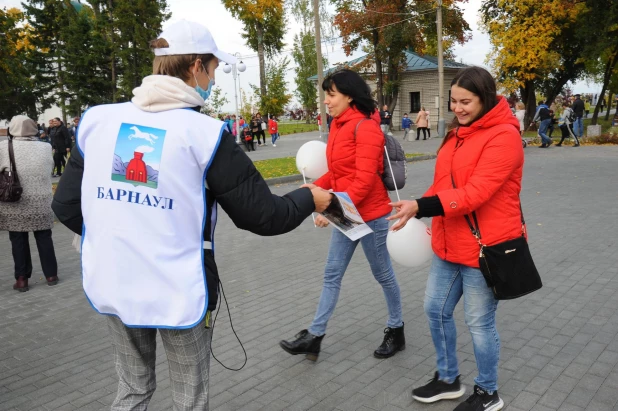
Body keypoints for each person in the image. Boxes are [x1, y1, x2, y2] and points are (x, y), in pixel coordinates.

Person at [51, 20, 332, 410]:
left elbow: (65, 205)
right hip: (177, 288)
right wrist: (309, 197)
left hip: (114, 280)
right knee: (189, 398)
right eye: (214, 70)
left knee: (132, 390)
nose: (213, 79)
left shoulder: (97, 121)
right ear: (197, 66)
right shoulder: (204, 133)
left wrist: (120, 234)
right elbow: (264, 216)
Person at [388, 66, 522, 411]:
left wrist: (424, 205)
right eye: (453, 101)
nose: (458, 108)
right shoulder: (457, 132)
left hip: (484, 248)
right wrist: (415, 207)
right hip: (449, 242)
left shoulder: (503, 136)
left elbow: (475, 193)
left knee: (478, 322)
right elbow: (444, 184)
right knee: (435, 309)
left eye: (466, 102)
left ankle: (488, 392)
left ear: (486, 99)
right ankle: (448, 379)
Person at [279, 69, 405, 362]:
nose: (325, 100)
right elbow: (337, 172)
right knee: (332, 273)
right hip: (349, 212)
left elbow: (364, 181)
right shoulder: (338, 126)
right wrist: (314, 187)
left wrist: (330, 206)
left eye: (331, 94)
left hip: (371, 215)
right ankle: (315, 335)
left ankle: (396, 330)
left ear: (349, 96)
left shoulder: (367, 128)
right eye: (325, 94)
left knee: (382, 274)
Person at [1, 115, 59, 292]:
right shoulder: (46, 147)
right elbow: (49, 168)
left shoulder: (4, 147)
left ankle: (22, 279)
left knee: (18, 239)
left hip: (15, 201)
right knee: (44, 237)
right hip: (41, 200)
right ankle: (51, 275)